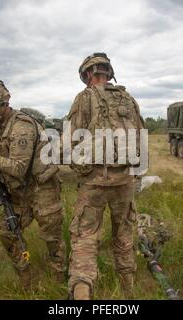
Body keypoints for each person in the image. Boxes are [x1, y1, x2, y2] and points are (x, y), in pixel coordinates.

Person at [0, 80, 66, 290]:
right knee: (7, 233)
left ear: (1, 104)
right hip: (17, 192)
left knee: (52, 238)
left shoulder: (22, 127)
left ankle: (59, 282)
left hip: (41, 189)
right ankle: (27, 280)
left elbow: (18, 168)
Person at [67, 53, 146, 299]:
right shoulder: (129, 99)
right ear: (108, 73)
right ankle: (128, 292)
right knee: (123, 234)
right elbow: (141, 139)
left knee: (85, 237)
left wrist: (79, 172)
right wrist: (136, 176)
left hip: (94, 181)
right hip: (125, 181)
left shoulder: (84, 98)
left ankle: (81, 294)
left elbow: (72, 141)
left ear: (88, 74)